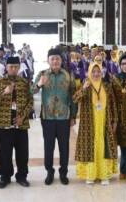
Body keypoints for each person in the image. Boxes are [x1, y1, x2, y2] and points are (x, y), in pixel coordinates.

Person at [33, 48, 77, 185]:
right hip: (48, 118)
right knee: (49, 146)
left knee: (64, 147)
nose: (55, 61)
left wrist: (73, 115)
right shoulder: (42, 74)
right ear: (48, 60)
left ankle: (63, 172)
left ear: (61, 60)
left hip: (64, 117)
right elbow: (31, 91)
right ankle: (49, 171)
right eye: (52, 59)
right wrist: (39, 84)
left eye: (57, 58)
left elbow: (74, 97)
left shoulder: (68, 75)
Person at [0, 56, 33, 189]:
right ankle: (5, 177)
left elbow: (30, 102)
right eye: (11, 67)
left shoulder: (24, 82)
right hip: (4, 123)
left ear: (19, 68)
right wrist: (4, 92)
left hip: (21, 124)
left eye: (16, 67)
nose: (13, 69)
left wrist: (23, 117)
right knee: (5, 152)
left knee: (22, 152)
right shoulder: (0, 82)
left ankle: (22, 176)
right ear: (6, 68)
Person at [73, 62, 118, 185]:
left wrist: (115, 121)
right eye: (93, 71)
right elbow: (75, 99)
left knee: (104, 147)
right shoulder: (86, 85)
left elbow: (113, 104)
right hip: (89, 123)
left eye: (98, 71)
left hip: (104, 121)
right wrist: (83, 89)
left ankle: (104, 175)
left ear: (102, 73)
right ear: (89, 72)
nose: (96, 74)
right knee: (91, 147)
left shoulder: (107, 86)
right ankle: (90, 175)